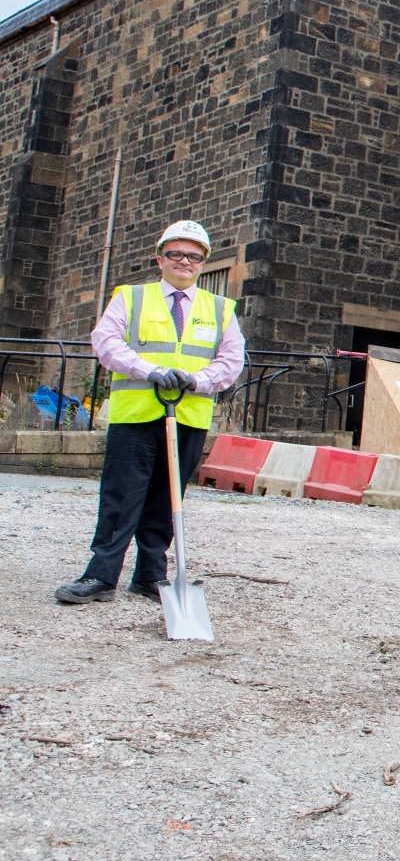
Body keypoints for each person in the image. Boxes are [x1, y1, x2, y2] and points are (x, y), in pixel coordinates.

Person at [56, 221, 246, 605]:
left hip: (188, 416)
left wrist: (196, 380)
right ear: (160, 258)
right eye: (175, 253)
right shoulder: (131, 297)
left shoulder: (220, 309)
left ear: (203, 264)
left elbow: (231, 360)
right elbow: (106, 343)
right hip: (137, 415)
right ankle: (101, 576)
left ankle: (150, 577)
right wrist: (152, 371)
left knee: (166, 499)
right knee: (120, 496)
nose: (184, 261)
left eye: (194, 256)